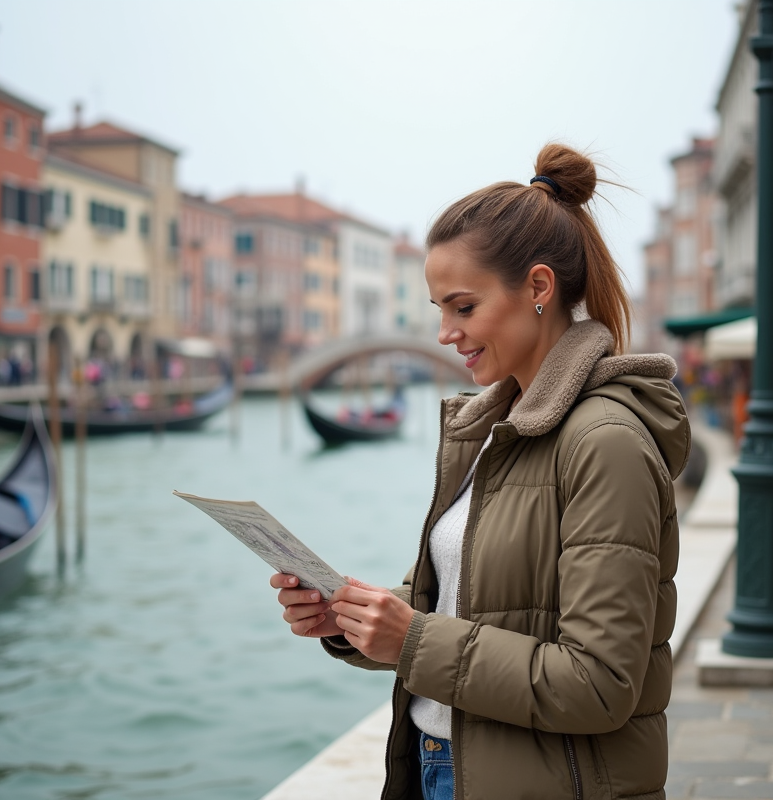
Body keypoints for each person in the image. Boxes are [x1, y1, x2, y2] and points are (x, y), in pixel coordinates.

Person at [271, 144, 688, 800]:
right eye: (439, 309)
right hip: (446, 766)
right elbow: (455, 607)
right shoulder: (488, 432)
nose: (444, 332)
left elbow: (600, 684)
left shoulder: (606, 444)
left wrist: (411, 640)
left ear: (539, 288)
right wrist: (349, 618)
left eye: (462, 308)